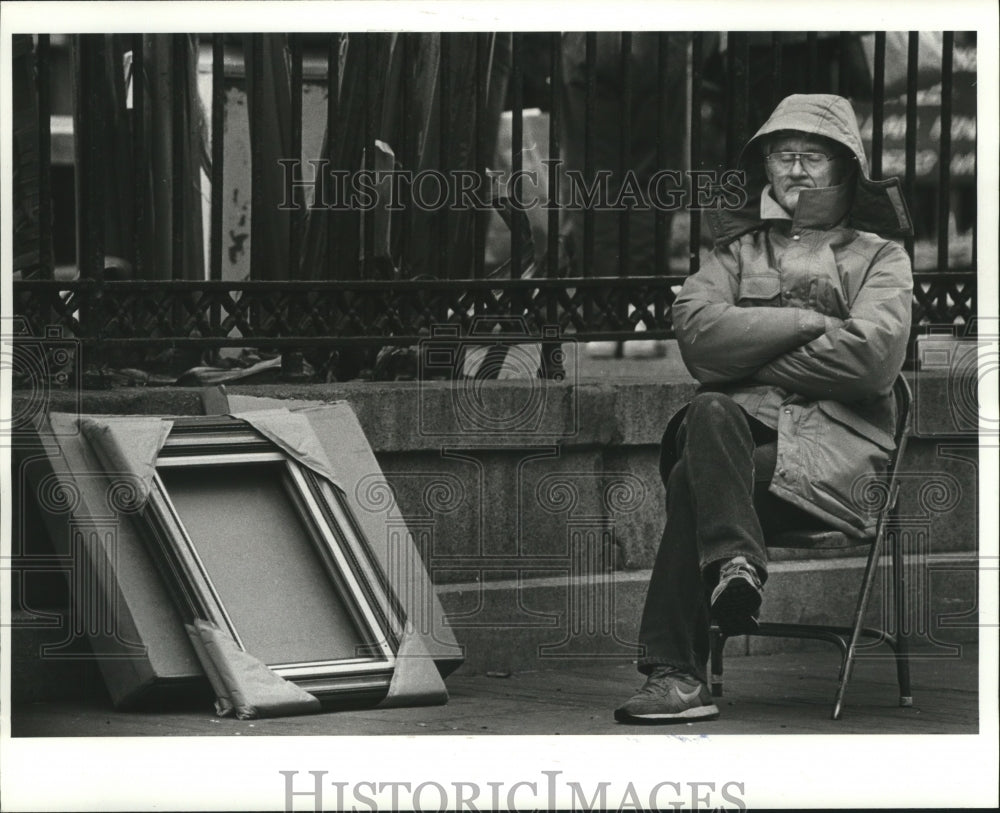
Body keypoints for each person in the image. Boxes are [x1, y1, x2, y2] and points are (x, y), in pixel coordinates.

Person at [614, 94, 914, 724]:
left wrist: (750, 350)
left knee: (692, 476)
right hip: (741, 453)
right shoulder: (735, 254)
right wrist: (809, 321)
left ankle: (676, 675)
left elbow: (873, 360)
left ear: (846, 170)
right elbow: (696, 333)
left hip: (836, 461)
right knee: (713, 413)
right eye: (784, 156)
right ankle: (736, 564)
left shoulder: (881, 258)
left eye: (812, 156)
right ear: (766, 169)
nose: (796, 170)